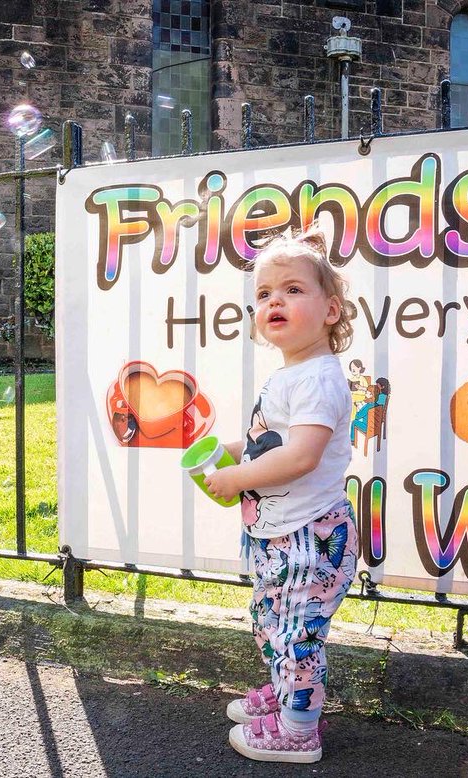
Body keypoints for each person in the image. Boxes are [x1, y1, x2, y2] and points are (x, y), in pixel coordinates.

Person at [204, 230, 359, 764]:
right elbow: (267, 441)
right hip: (280, 534)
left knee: (297, 633)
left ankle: (299, 728)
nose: (274, 301)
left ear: (331, 310)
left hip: (310, 537)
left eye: (293, 289)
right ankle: (286, 687)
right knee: (272, 622)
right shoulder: (291, 375)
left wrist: (239, 477)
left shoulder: (318, 378)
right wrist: (225, 452)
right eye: (265, 293)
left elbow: (301, 456)